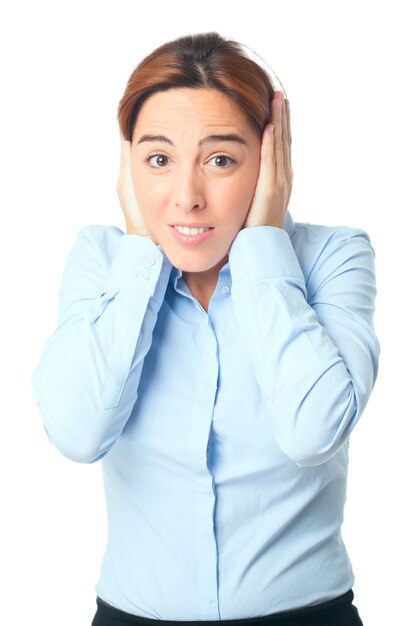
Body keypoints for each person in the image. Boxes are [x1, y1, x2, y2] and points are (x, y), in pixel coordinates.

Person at [31, 31, 379, 626]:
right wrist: (141, 255)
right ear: (128, 163)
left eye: (220, 159)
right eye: (158, 160)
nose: (187, 197)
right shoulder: (103, 260)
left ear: (270, 161)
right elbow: (78, 432)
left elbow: (313, 431)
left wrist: (265, 246)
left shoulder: (331, 258)